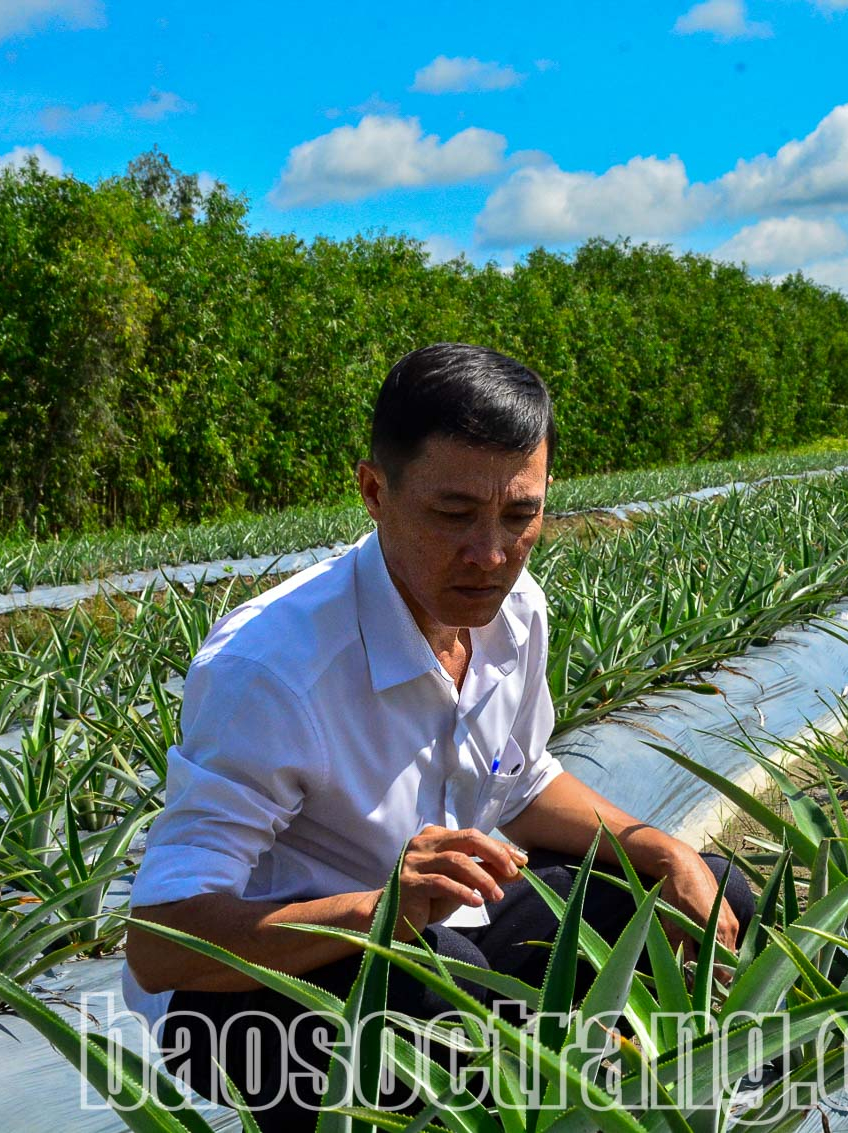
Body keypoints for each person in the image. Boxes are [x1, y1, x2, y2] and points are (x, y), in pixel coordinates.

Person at [121, 343, 755, 1132]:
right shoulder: (273, 669)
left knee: (704, 890)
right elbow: (158, 944)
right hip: (243, 991)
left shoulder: (517, 614)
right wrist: (377, 910)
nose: (491, 555)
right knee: (439, 998)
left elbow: (522, 784)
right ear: (374, 490)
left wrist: (662, 848)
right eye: (454, 515)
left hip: (438, 932)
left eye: (521, 516)